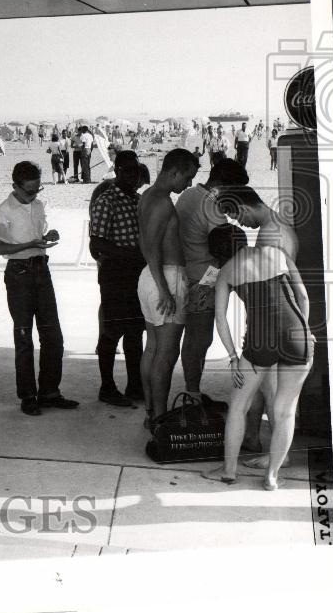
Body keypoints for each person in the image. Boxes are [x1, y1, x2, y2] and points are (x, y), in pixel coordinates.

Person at [202, 192, 314, 490]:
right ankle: (272, 476)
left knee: (238, 406)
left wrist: (231, 355)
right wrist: (306, 330)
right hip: (297, 336)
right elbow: (302, 296)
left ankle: (228, 471)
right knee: (285, 409)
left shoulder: (227, 271)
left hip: (260, 341)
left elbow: (221, 318)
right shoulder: (278, 253)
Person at [0, 161, 78, 416]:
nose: (34, 195)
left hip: (41, 269)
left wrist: (48, 235)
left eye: (38, 189)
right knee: (24, 337)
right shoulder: (4, 210)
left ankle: (50, 391)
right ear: (15, 186)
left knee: (53, 336)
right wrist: (28, 244)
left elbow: (38, 234)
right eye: (29, 191)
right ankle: (28, 395)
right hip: (19, 274)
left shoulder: (39, 205)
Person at [176, 158, 249, 413]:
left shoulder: (188, 195)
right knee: (199, 340)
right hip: (204, 281)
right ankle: (193, 396)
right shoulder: (212, 208)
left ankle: (193, 392)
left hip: (186, 273)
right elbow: (224, 248)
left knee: (193, 340)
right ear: (224, 184)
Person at [137, 148, 200, 427]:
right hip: (166, 278)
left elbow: (146, 243)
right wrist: (165, 290)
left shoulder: (148, 196)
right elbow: (150, 247)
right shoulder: (161, 202)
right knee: (166, 353)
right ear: (174, 171)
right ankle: (160, 418)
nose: (188, 184)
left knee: (152, 348)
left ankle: (151, 412)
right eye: (187, 177)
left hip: (151, 278)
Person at [89, 156, 146, 406]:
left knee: (135, 333)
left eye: (137, 172)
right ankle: (107, 387)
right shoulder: (106, 201)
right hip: (115, 274)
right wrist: (130, 253)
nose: (134, 177)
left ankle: (135, 385)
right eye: (129, 172)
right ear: (118, 171)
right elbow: (96, 243)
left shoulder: (138, 200)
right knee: (112, 333)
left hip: (137, 274)